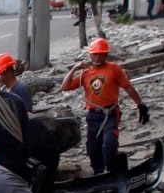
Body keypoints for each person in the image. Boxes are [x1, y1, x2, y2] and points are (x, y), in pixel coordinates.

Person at [60, 38, 149, 174]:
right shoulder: (85, 73)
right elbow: (65, 87)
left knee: (110, 143)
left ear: (106, 54)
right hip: (93, 115)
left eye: (101, 54)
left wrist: (140, 104)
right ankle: (98, 172)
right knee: (93, 149)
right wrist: (74, 68)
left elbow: (128, 87)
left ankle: (112, 170)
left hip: (110, 113)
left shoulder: (114, 69)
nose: (98, 57)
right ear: (90, 55)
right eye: (95, 54)